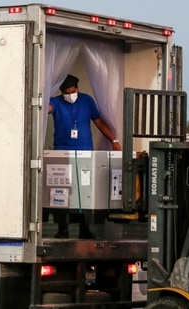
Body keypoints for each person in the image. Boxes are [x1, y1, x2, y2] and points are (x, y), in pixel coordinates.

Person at [47, 74, 120, 239]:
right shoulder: (57, 102)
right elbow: (46, 109)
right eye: (66, 92)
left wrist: (113, 140)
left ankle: (84, 228)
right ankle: (62, 228)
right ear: (62, 91)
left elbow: (99, 121)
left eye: (72, 91)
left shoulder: (87, 100)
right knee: (62, 192)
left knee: (84, 191)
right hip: (62, 153)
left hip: (85, 153)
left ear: (77, 89)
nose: (70, 95)